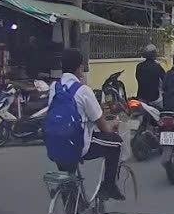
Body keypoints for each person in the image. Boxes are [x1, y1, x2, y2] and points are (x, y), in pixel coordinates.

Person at [49, 49, 125, 200]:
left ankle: (72, 207)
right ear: (79, 67)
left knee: (68, 179)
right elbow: (103, 126)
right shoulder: (83, 90)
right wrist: (113, 125)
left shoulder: (54, 87)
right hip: (79, 145)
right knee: (116, 144)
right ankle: (108, 187)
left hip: (54, 145)